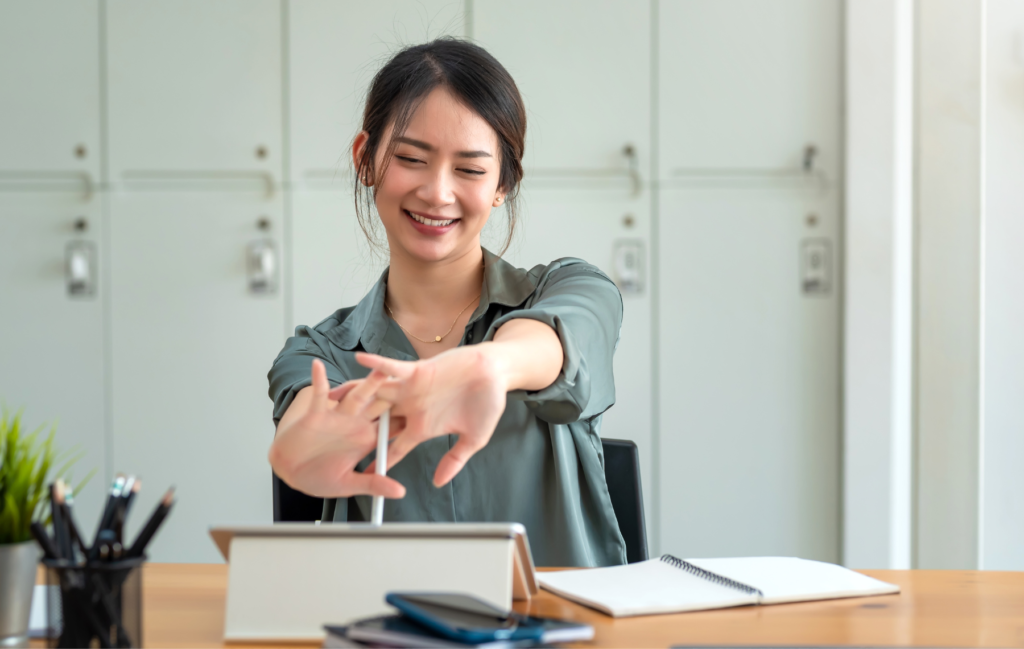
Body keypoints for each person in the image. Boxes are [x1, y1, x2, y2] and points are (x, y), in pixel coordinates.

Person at [267, 38, 626, 567]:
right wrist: (300, 449)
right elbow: (303, 419)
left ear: (504, 184)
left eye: (470, 170)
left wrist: (485, 367)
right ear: (365, 159)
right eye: (411, 158)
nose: (437, 193)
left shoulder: (572, 288)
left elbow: (554, 343)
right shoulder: (321, 352)